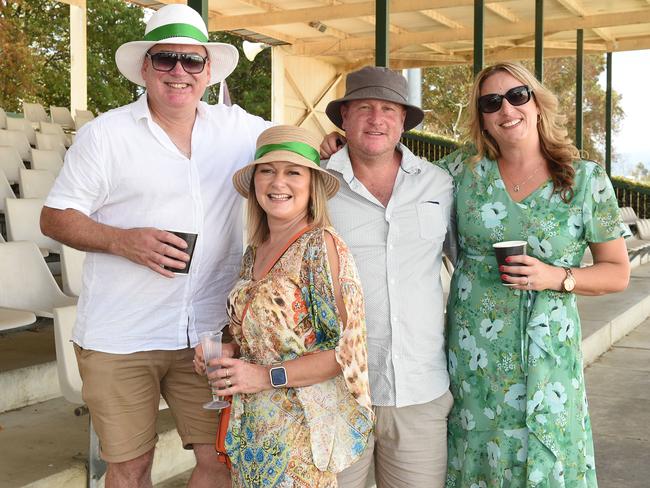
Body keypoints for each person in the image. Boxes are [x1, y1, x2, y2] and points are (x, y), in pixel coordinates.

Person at [40, 5, 272, 487]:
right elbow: (54, 217)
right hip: (122, 334)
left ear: (208, 71)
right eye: (166, 59)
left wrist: (336, 143)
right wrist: (120, 240)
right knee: (130, 467)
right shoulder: (104, 136)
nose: (178, 72)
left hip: (208, 332)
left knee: (222, 461)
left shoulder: (241, 130)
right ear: (145, 68)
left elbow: (298, 158)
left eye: (191, 62)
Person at [438, 62, 630, 487]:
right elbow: (392, 174)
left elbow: (617, 273)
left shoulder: (584, 180)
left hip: (549, 361)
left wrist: (557, 277)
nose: (507, 109)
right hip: (477, 360)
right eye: (491, 103)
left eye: (517, 95)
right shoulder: (460, 174)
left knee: (547, 458)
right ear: (482, 118)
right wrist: (337, 147)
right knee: (480, 459)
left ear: (537, 102)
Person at [203, 124, 373, 487]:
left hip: (300, 436)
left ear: (312, 185)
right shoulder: (254, 252)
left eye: (293, 172)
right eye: (267, 170)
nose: (278, 182)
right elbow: (262, 334)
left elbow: (347, 353)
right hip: (251, 429)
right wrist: (229, 348)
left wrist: (264, 376)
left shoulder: (321, 247)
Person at [321, 66, 455, 488]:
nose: (376, 119)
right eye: (364, 108)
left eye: (388, 109)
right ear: (344, 117)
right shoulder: (315, 182)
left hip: (418, 390)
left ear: (403, 121)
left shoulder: (440, 183)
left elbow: (469, 261)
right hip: (335, 388)